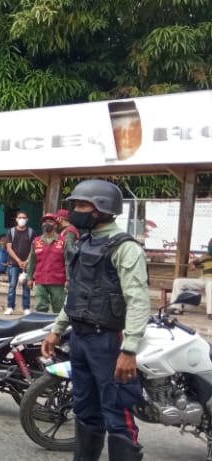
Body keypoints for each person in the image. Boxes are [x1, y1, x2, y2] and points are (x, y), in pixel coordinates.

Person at [41, 179, 149, 461]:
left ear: (102, 208)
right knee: (85, 410)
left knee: (117, 412)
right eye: (75, 204)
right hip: (80, 338)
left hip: (109, 342)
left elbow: (138, 300)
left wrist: (130, 350)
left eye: (81, 205)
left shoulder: (126, 248)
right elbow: (76, 293)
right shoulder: (83, 242)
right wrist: (57, 330)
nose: (75, 210)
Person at [27, 213, 67, 313]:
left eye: (50, 221)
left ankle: (57, 328)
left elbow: (68, 261)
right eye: (45, 221)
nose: (47, 223)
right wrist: (29, 278)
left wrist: (68, 279)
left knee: (59, 308)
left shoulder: (63, 241)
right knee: (41, 307)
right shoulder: (36, 241)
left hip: (58, 281)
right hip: (40, 280)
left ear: (55, 225)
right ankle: (41, 327)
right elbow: (32, 261)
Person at [168, 237, 212, 318]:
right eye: (209, 244)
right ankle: (175, 308)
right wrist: (192, 265)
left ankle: (211, 313)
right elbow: (192, 263)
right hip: (203, 279)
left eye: (211, 244)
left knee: (210, 285)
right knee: (178, 282)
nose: (210, 246)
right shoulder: (206, 256)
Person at [5, 210, 35, 315]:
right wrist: (18, 261)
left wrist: (26, 261)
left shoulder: (31, 232)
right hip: (13, 263)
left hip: (27, 264)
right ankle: (10, 307)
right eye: (20, 217)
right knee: (12, 286)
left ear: (27, 220)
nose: (22, 219)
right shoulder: (11, 231)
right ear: (16, 219)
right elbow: (9, 248)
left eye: (24, 218)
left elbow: (33, 248)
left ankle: (26, 308)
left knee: (26, 286)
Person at [56, 208, 79, 280]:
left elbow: (68, 251)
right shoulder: (65, 230)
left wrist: (67, 276)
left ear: (61, 218)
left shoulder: (70, 231)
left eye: (57, 218)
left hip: (67, 266)